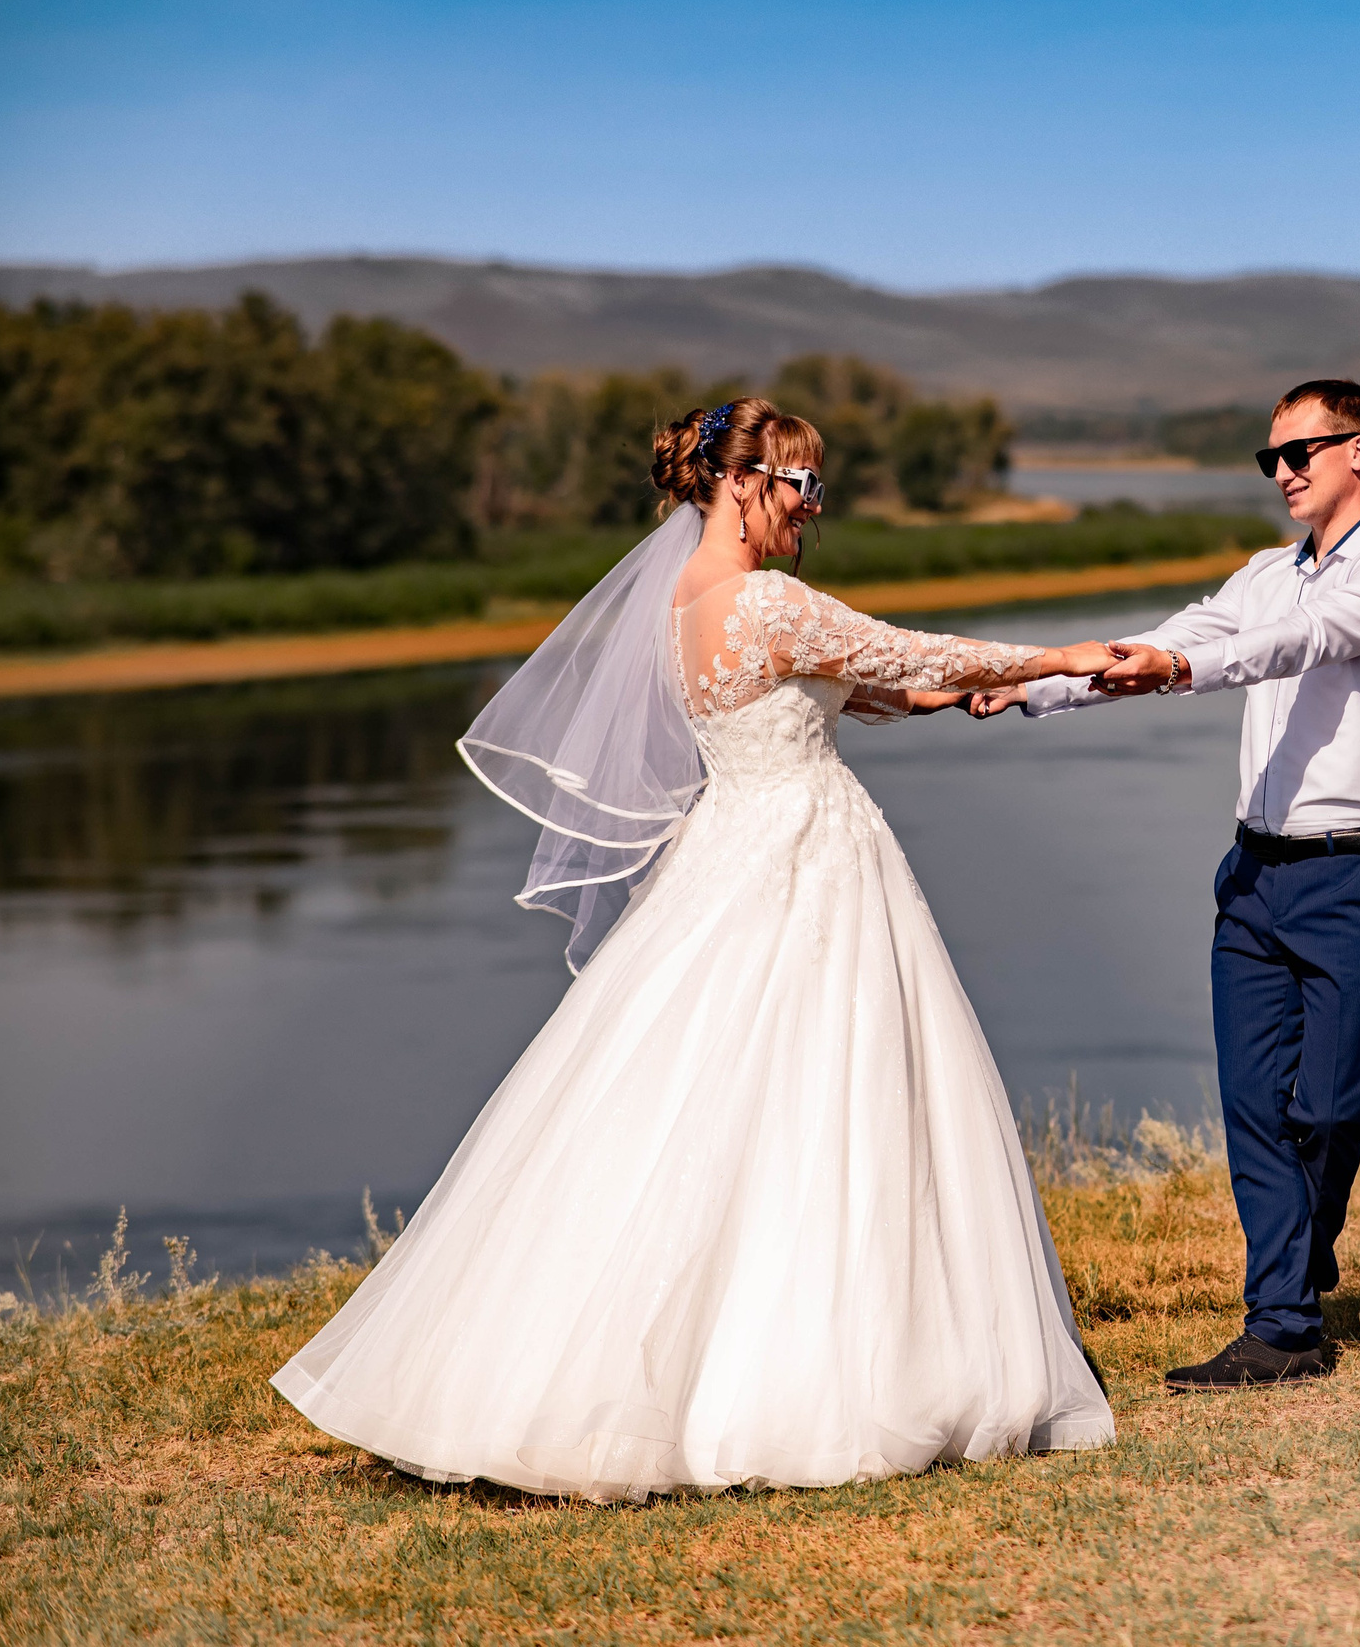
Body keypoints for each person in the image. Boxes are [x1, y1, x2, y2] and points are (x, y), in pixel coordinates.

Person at [272, 397, 1119, 1501]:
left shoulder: (684, 601)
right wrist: (1065, 651)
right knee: (822, 1091)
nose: (815, 508)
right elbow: (907, 648)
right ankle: (815, 1376)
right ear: (743, 483)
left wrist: (954, 695)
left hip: (729, 844)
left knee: (702, 1092)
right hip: (805, 851)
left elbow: (864, 688)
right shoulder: (768, 598)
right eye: (802, 485)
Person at [970, 379, 1360, 1391]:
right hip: (1255, 879)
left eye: (1302, 451)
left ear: (1359, 449)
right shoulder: (1263, 573)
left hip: (1357, 879)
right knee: (1254, 1111)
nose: (1282, 471)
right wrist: (1033, 684)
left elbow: (1292, 645)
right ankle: (1282, 1324)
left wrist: (1183, 671)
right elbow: (1177, 633)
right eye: (1270, 457)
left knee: (1326, 1112)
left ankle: (1297, 1269)